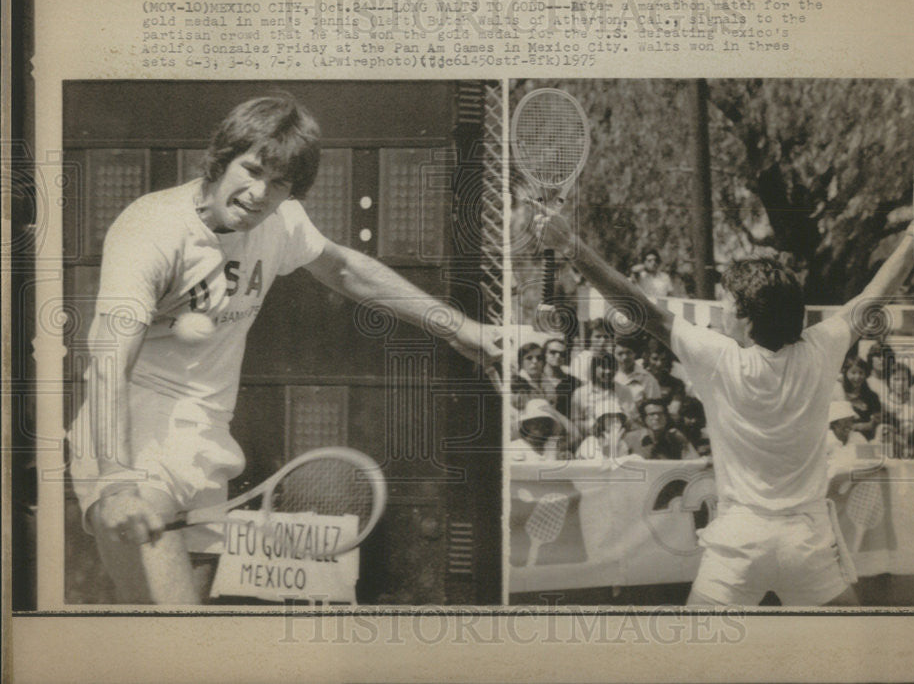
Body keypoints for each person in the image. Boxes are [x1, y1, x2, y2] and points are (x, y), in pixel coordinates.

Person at [68, 94, 502, 604]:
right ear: (220, 158)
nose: (259, 194)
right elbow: (107, 362)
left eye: (279, 184)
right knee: (177, 643)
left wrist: (462, 329)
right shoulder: (151, 230)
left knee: (169, 642)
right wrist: (118, 484)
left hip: (207, 444)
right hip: (135, 441)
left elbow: (345, 269)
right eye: (250, 170)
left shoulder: (282, 223)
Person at [535, 169, 914, 606]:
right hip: (806, 543)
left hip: (737, 544)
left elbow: (644, 310)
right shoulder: (820, 349)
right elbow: (877, 293)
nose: (723, 308)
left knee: (690, 669)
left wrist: (570, 246)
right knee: (848, 663)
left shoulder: (718, 357)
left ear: (747, 317)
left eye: (728, 301)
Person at [624, 397, 700, 460]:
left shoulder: (675, 439)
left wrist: (685, 442)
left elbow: (695, 463)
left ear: (666, 417)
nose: (657, 417)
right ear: (644, 419)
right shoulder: (630, 439)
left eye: (660, 414)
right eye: (652, 414)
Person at [833, 355, 881, 440]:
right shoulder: (838, 394)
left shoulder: (872, 396)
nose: (857, 377)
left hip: (865, 439)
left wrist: (870, 425)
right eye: (853, 372)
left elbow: (877, 420)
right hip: (841, 437)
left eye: (861, 373)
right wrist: (856, 427)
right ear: (845, 373)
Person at [613, 334, 661, 407]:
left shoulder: (647, 379)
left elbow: (655, 407)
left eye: (628, 353)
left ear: (634, 354)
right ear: (614, 355)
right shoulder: (609, 376)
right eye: (620, 354)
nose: (625, 357)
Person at [539, 337, 581, 420]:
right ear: (544, 354)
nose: (558, 356)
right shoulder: (536, 379)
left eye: (562, 354)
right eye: (553, 352)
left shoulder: (574, 382)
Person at [568, 317, 614, 384]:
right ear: (590, 337)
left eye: (606, 337)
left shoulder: (612, 359)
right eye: (598, 337)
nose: (603, 341)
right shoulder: (581, 359)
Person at [512, 341, 546, 410]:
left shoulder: (548, 383)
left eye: (539, 358)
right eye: (529, 358)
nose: (535, 361)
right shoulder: (515, 384)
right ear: (521, 362)